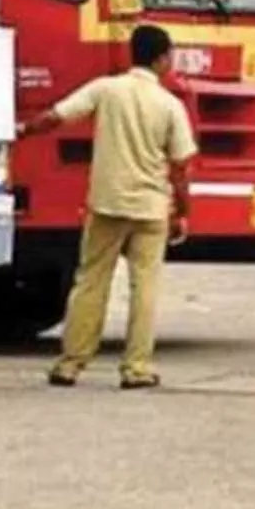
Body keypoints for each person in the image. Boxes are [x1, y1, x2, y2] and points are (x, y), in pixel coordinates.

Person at [16, 24, 196, 389]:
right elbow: (180, 166)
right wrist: (183, 211)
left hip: (107, 204)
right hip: (150, 209)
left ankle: (71, 364)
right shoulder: (170, 105)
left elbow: (55, 116)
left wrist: (22, 130)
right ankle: (136, 367)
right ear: (162, 59)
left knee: (91, 281)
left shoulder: (106, 89)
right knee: (145, 288)